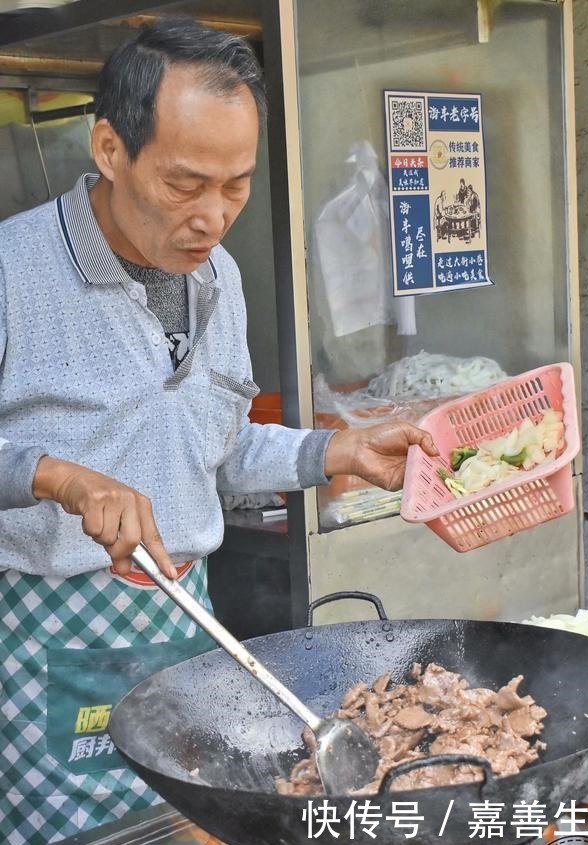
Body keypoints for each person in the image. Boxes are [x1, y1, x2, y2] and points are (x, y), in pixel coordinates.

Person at [0, 18, 437, 845]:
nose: (214, 216)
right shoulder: (13, 271)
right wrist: (59, 475)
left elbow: (218, 444)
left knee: (186, 826)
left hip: (185, 623)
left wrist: (331, 451)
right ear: (108, 147)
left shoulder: (218, 278)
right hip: (49, 635)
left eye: (236, 185)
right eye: (185, 183)